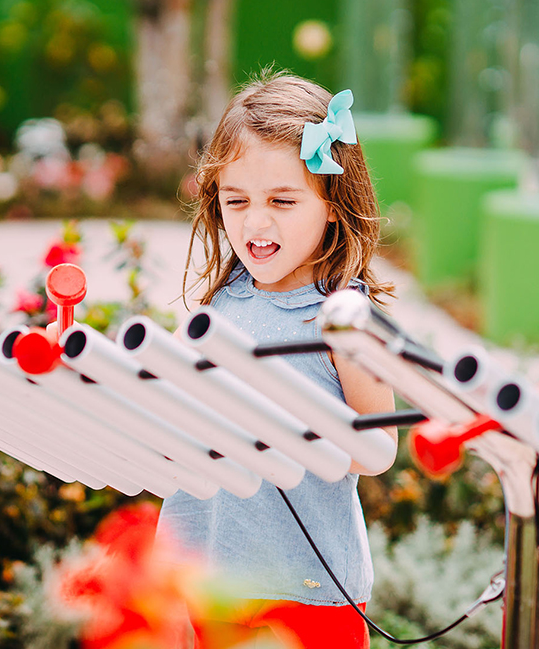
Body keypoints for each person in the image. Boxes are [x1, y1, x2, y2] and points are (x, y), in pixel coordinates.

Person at [159, 72, 398, 649]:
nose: (255, 223)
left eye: (282, 201)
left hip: (306, 590)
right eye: (236, 201)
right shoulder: (221, 302)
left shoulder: (343, 318)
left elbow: (381, 451)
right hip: (205, 575)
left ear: (334, 208)